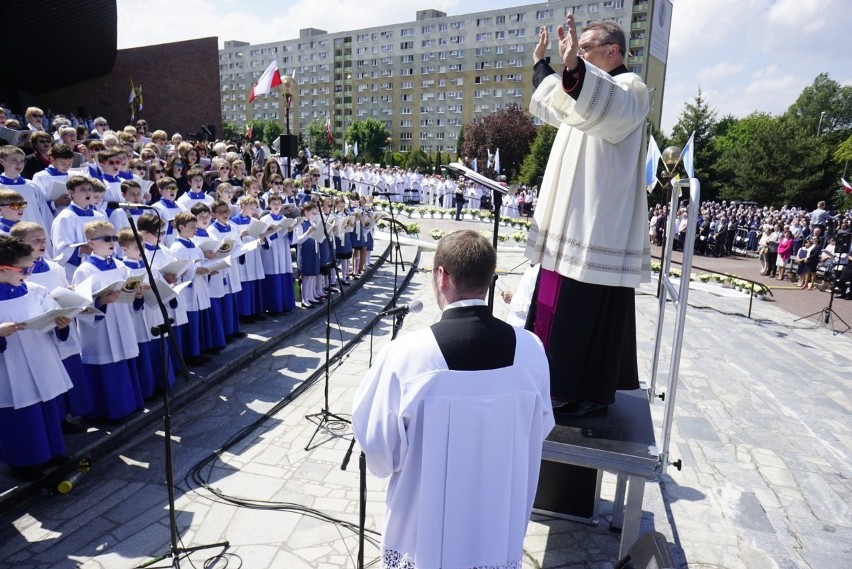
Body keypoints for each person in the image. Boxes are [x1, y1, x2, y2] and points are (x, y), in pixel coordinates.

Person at [352, 230, 554, 568]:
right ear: (490, 280)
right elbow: (540, 429)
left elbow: (378, 448)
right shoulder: (531, 350)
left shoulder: (406, 355)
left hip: (423, 534)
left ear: (441, 276)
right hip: (497, 526)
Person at [524, 15, 650, 416]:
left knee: (582, 312)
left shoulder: (631, 89)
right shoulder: (589, 94)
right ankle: (548, 381)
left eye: (584, 48)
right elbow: (557, 100)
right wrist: (541, 64)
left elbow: (606, 107)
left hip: (596, 227)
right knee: (553, 303)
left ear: (612, 51)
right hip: (569, 219)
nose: (575, 55)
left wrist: (575, 69)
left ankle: (585, 393)